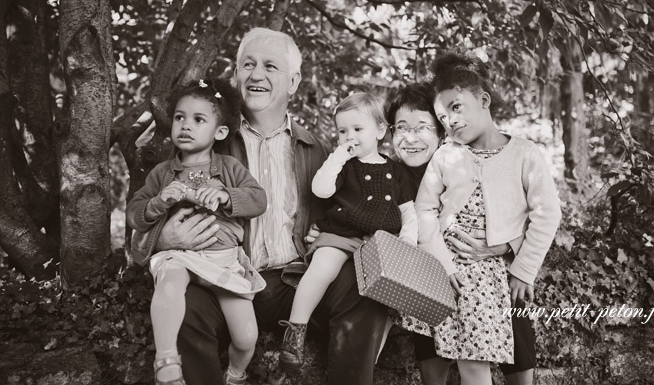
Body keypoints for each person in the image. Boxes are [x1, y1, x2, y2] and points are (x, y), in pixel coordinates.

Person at [130, 28, 390, 385]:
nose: (256, 74)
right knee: (185, 306)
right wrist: (163, 239)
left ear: (294, 81)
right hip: (224, 278)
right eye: (247, 64)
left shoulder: (320, 153)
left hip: (297, 282)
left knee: (362, 290)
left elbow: (352, 214)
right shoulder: (207, 143)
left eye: (271, 66)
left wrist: (326, 232)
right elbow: (145, 216)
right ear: (235, 75)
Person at [416, 53, 562, 385]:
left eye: (456, 107)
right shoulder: (445, 155)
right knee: (466, 362)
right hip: (448, 273)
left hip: (493, 277)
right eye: (442, 117)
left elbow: (547, 213)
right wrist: (443, 262)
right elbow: (425, 209)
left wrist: (522, 269)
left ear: (483, 100)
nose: (450, 121)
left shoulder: (524, 154)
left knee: (478, 357)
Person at [126, 79, 268, 385]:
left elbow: (259, 199)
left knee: (245, 337)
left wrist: (227, 196)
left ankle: (235, 373)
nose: (185, 125)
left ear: (219, 132)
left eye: (198, 119)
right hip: (180, 255)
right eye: (179, 117)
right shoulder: (163, 174)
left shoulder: (229, 168)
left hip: (225, 261)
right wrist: (158, 202)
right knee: (170, 281)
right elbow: (134, 214)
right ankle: (166, 362)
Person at [278, 92, 418, 370]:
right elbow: (321, 189)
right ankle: (295, 331)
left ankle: (367, 358)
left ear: (380, 131)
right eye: (342, 131)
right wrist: (337, 157)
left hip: (380, 243)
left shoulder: (397, 171)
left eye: (357, 129)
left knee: (386, 298)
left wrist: (407, 240)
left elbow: (408, 212)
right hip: (341, 234)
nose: (349, 136)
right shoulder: (344, 166)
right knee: (323, 268)